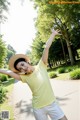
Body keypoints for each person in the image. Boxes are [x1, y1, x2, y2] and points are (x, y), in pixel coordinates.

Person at [0, 29, 68, 120]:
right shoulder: (24, 77)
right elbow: (9, 72)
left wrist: (53, 34)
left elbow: (46, 47)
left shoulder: (41, 65)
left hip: (52, 104)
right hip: (38, 108)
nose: (23, 68)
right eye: (20, 69)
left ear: (26, 62)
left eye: (22, 65)